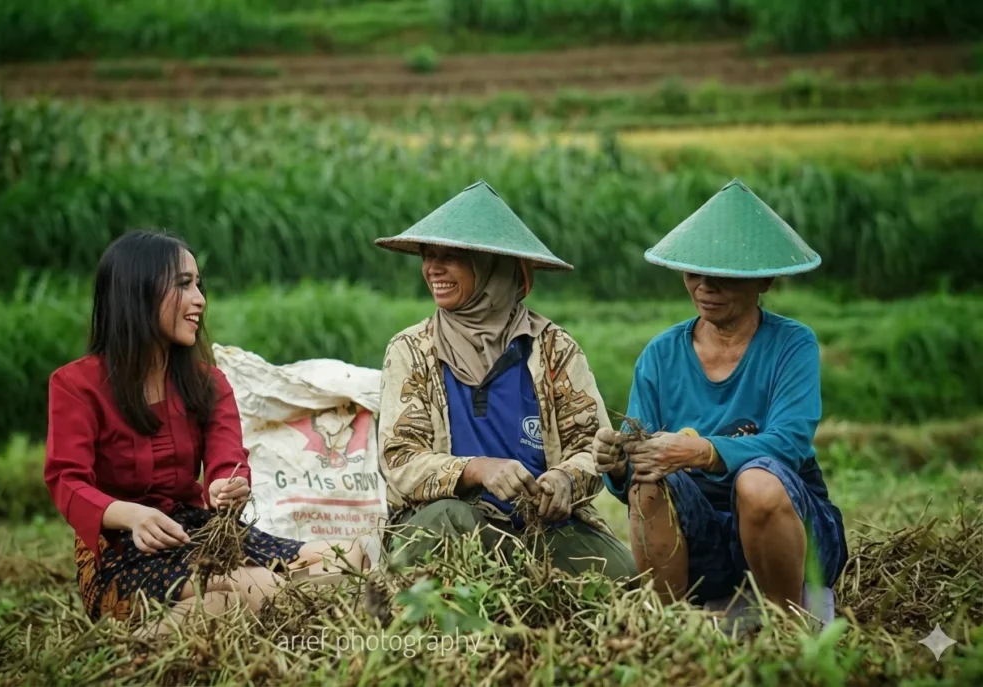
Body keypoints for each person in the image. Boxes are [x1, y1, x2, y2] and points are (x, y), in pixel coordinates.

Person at [44, 230, 368, 631]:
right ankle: (227, 614)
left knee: (349, 554)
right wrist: (132, 516)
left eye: (199, 284)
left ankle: (237, 609)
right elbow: (66, 480)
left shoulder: (208, 383)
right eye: (183, 285)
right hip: (123, 550)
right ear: (138, 292)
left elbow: (228, 460)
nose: (199, 299)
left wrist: (225, 487)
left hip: (200, 534)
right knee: (248, 588)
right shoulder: (76, 385)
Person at [594, 178, 847, 615]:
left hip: (791, 531)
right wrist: (619, 464)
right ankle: (670, 626)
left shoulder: (791, 345)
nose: (705, 287)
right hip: (702, 540)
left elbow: (789, 444)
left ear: (763, 280)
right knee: (647, 484)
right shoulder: (660, 355)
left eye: (722, 276)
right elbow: (639, 465)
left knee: (758, 483)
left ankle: (787, 622)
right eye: (695, 273)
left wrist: (704, 452)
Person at [373, 180, 636, 580]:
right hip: (446, 524)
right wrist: (477, 470)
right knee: (449, 518)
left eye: (452, 257)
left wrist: (565, 480)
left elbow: (589, 446)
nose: (433, 269)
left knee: (623, 580)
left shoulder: (554, 349)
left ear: (494, 268)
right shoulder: (411, 350)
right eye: (429, 255)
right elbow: (401, 460)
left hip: (538, 528)